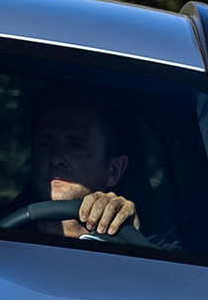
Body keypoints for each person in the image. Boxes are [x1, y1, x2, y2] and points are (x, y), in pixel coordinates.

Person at [27, 88, 143, 238]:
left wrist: (129, 237)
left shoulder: (144, 244)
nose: (56, 158)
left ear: (114, 170)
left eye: (76, 146)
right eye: (45, 143)